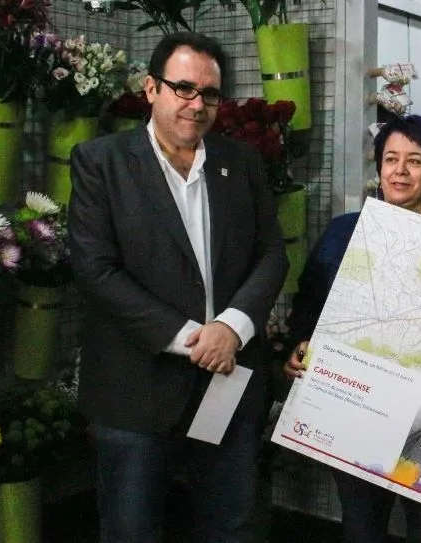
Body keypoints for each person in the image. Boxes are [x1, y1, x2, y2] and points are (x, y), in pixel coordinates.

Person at [68, 32, 288, 542]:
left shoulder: (241, 162)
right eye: (183, 88)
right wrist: (195, 339)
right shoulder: (101, 162)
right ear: (151, 88)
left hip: (227, 381)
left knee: (230, 527)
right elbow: (96, 270)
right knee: (132, 530)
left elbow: (272, 254)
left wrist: (231, 328)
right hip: (135, 388)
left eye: (209, 93)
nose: (197, 104)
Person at [283, 114, 421, 543]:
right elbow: (309, 301)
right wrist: (300, 343)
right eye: (391, 159)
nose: (400, 170)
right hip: (358, 408)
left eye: (415, 161)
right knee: (361, 526)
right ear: (379, 168)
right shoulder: (343, 233)